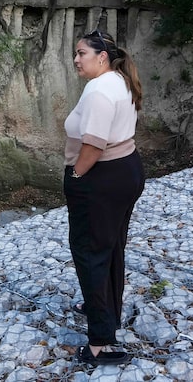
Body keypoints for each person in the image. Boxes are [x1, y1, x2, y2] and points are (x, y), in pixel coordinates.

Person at [63, 29, 145, 366]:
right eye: (75, 53)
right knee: (110, 247)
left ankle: (102, 344)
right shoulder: (120, 81)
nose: (76, 59)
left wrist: (77, 177)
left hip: (101, 178)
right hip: (127, 171)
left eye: (81, 53)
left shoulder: (98, 90)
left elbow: (94, 145)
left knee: (89, 252)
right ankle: (105, 309)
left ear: (102, 56)